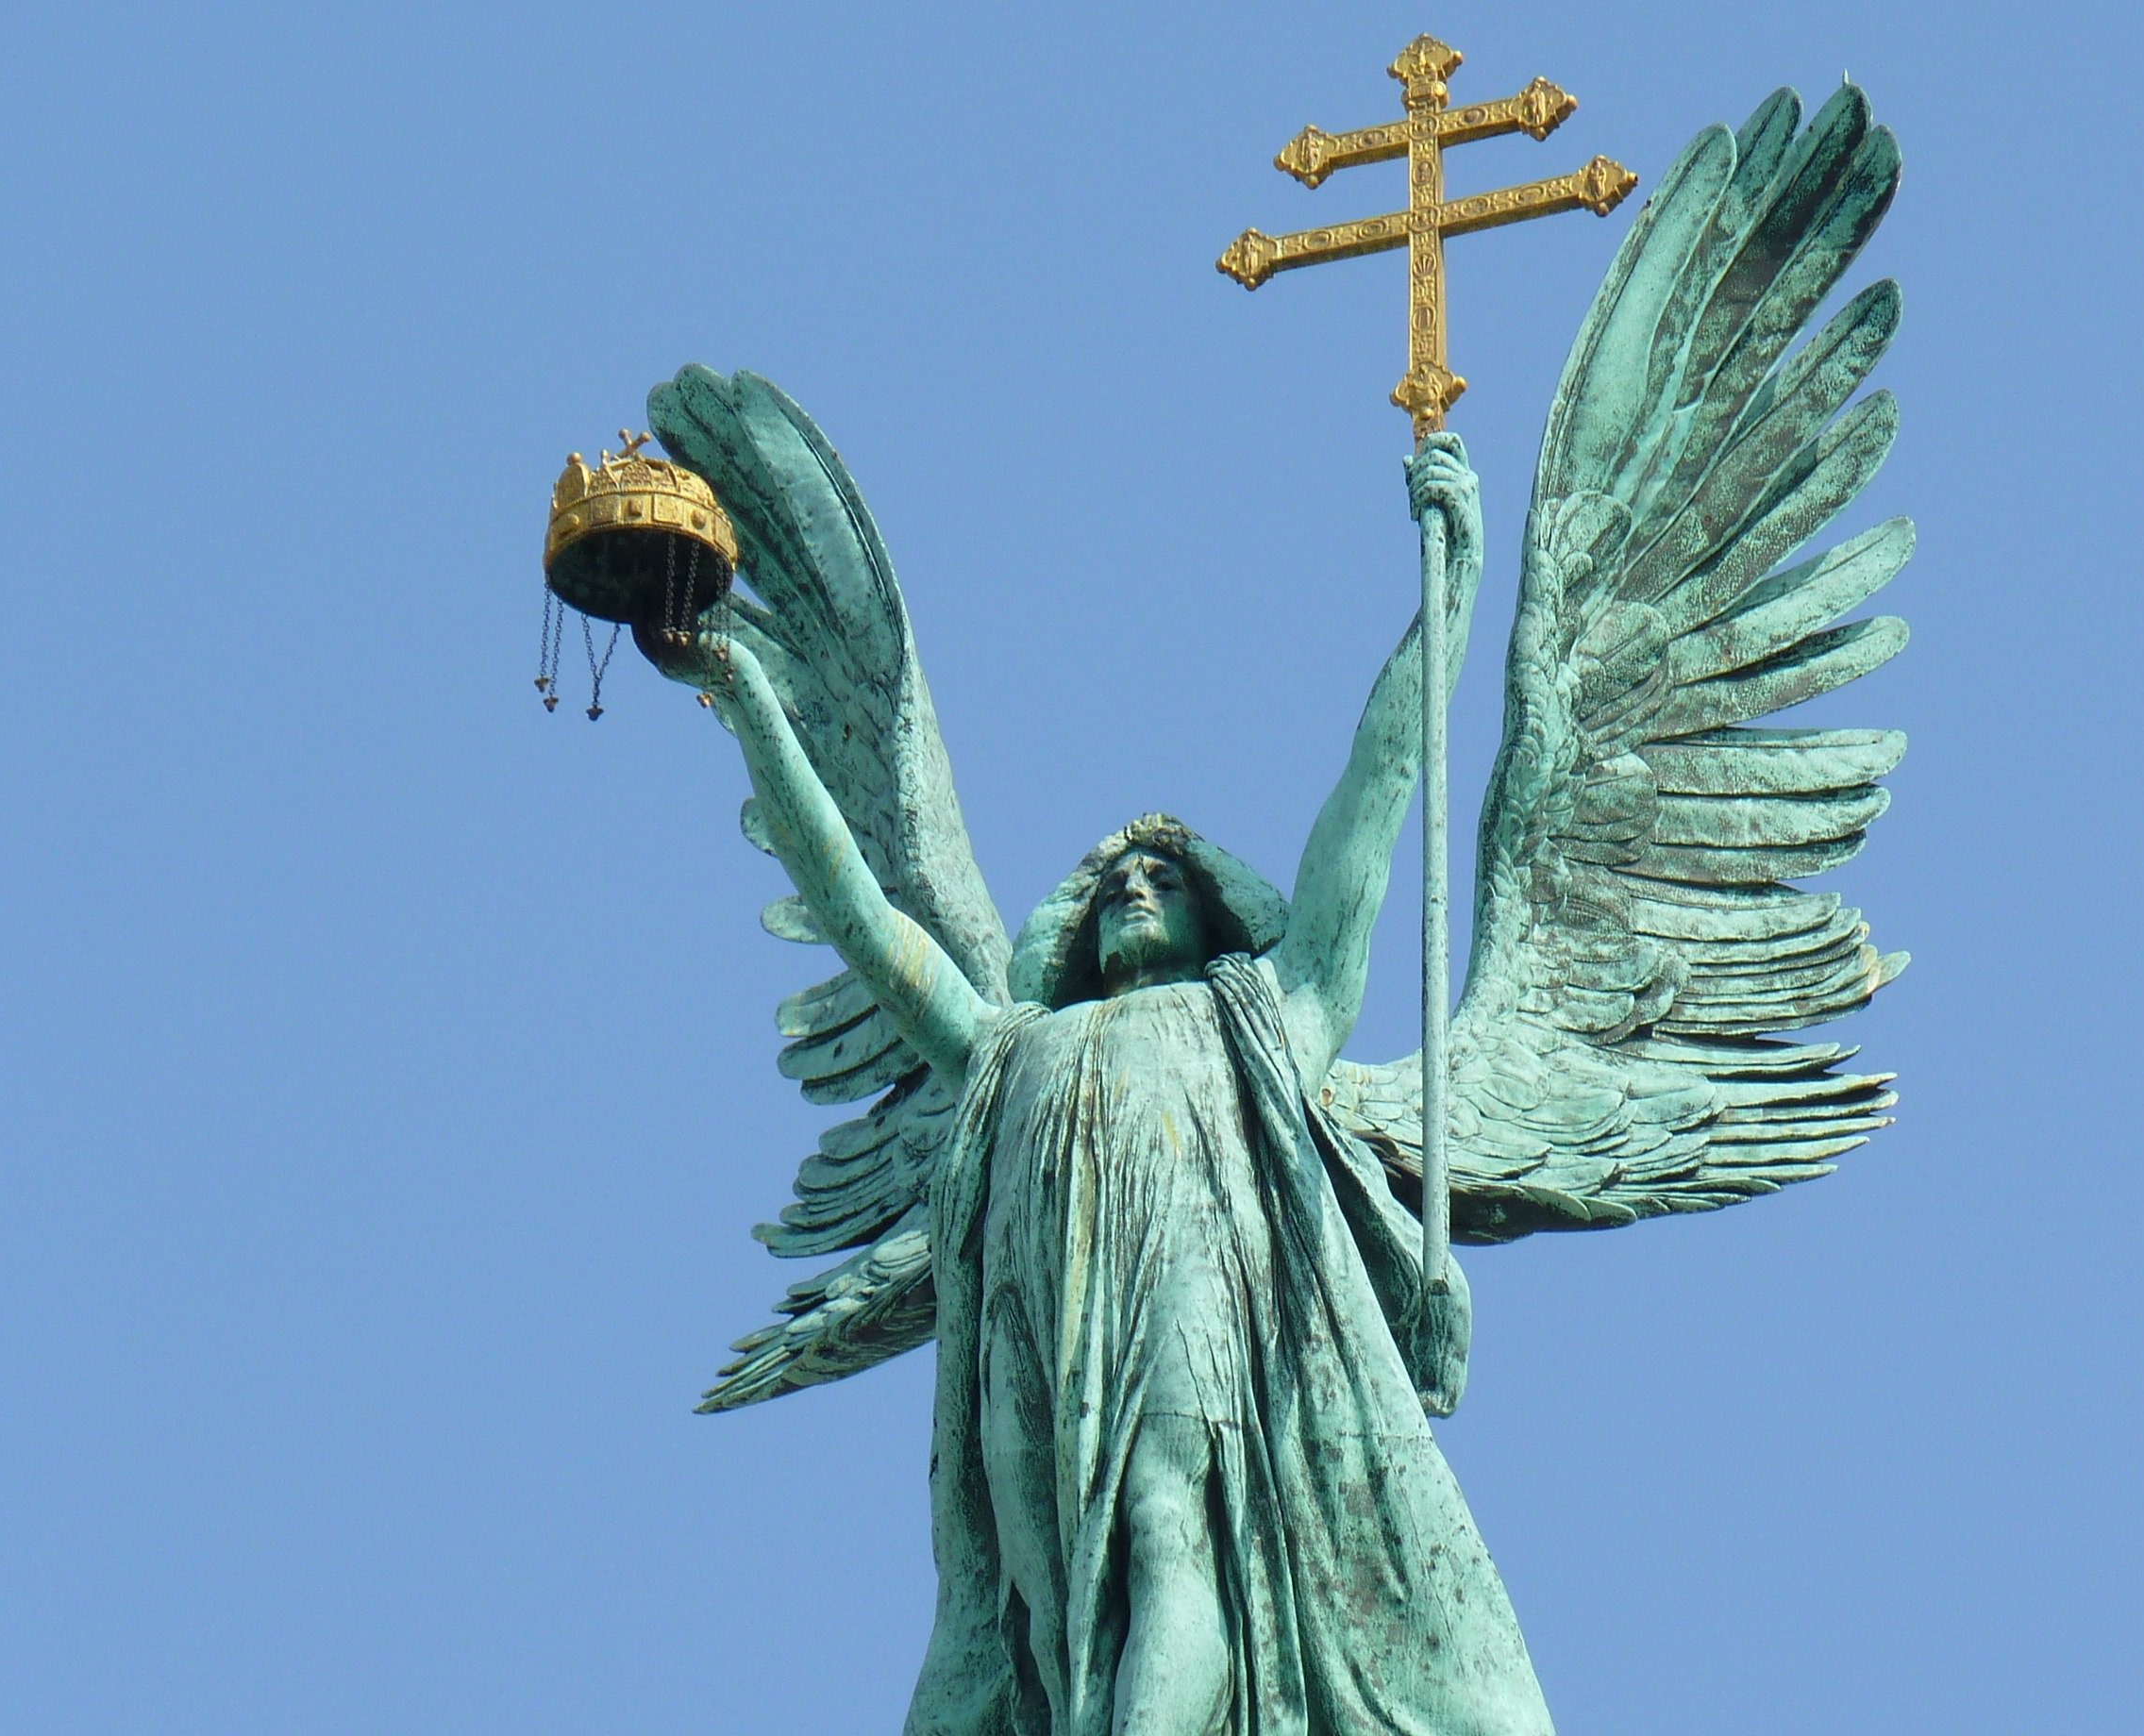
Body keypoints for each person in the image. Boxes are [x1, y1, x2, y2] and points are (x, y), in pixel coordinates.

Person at [647, 435, 1552, 1735]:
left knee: (1166, 1523)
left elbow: (1378, 786)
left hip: (1194, 1305)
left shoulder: (1266, 1010)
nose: (1134, 885)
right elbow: (855, 906)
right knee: (1048, 1588)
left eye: (1165, 877)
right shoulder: (1006, 1048)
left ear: (1215, 915)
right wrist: (739, 693)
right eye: (1112, 880)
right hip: (1037, 1317)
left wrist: (1446, 600)